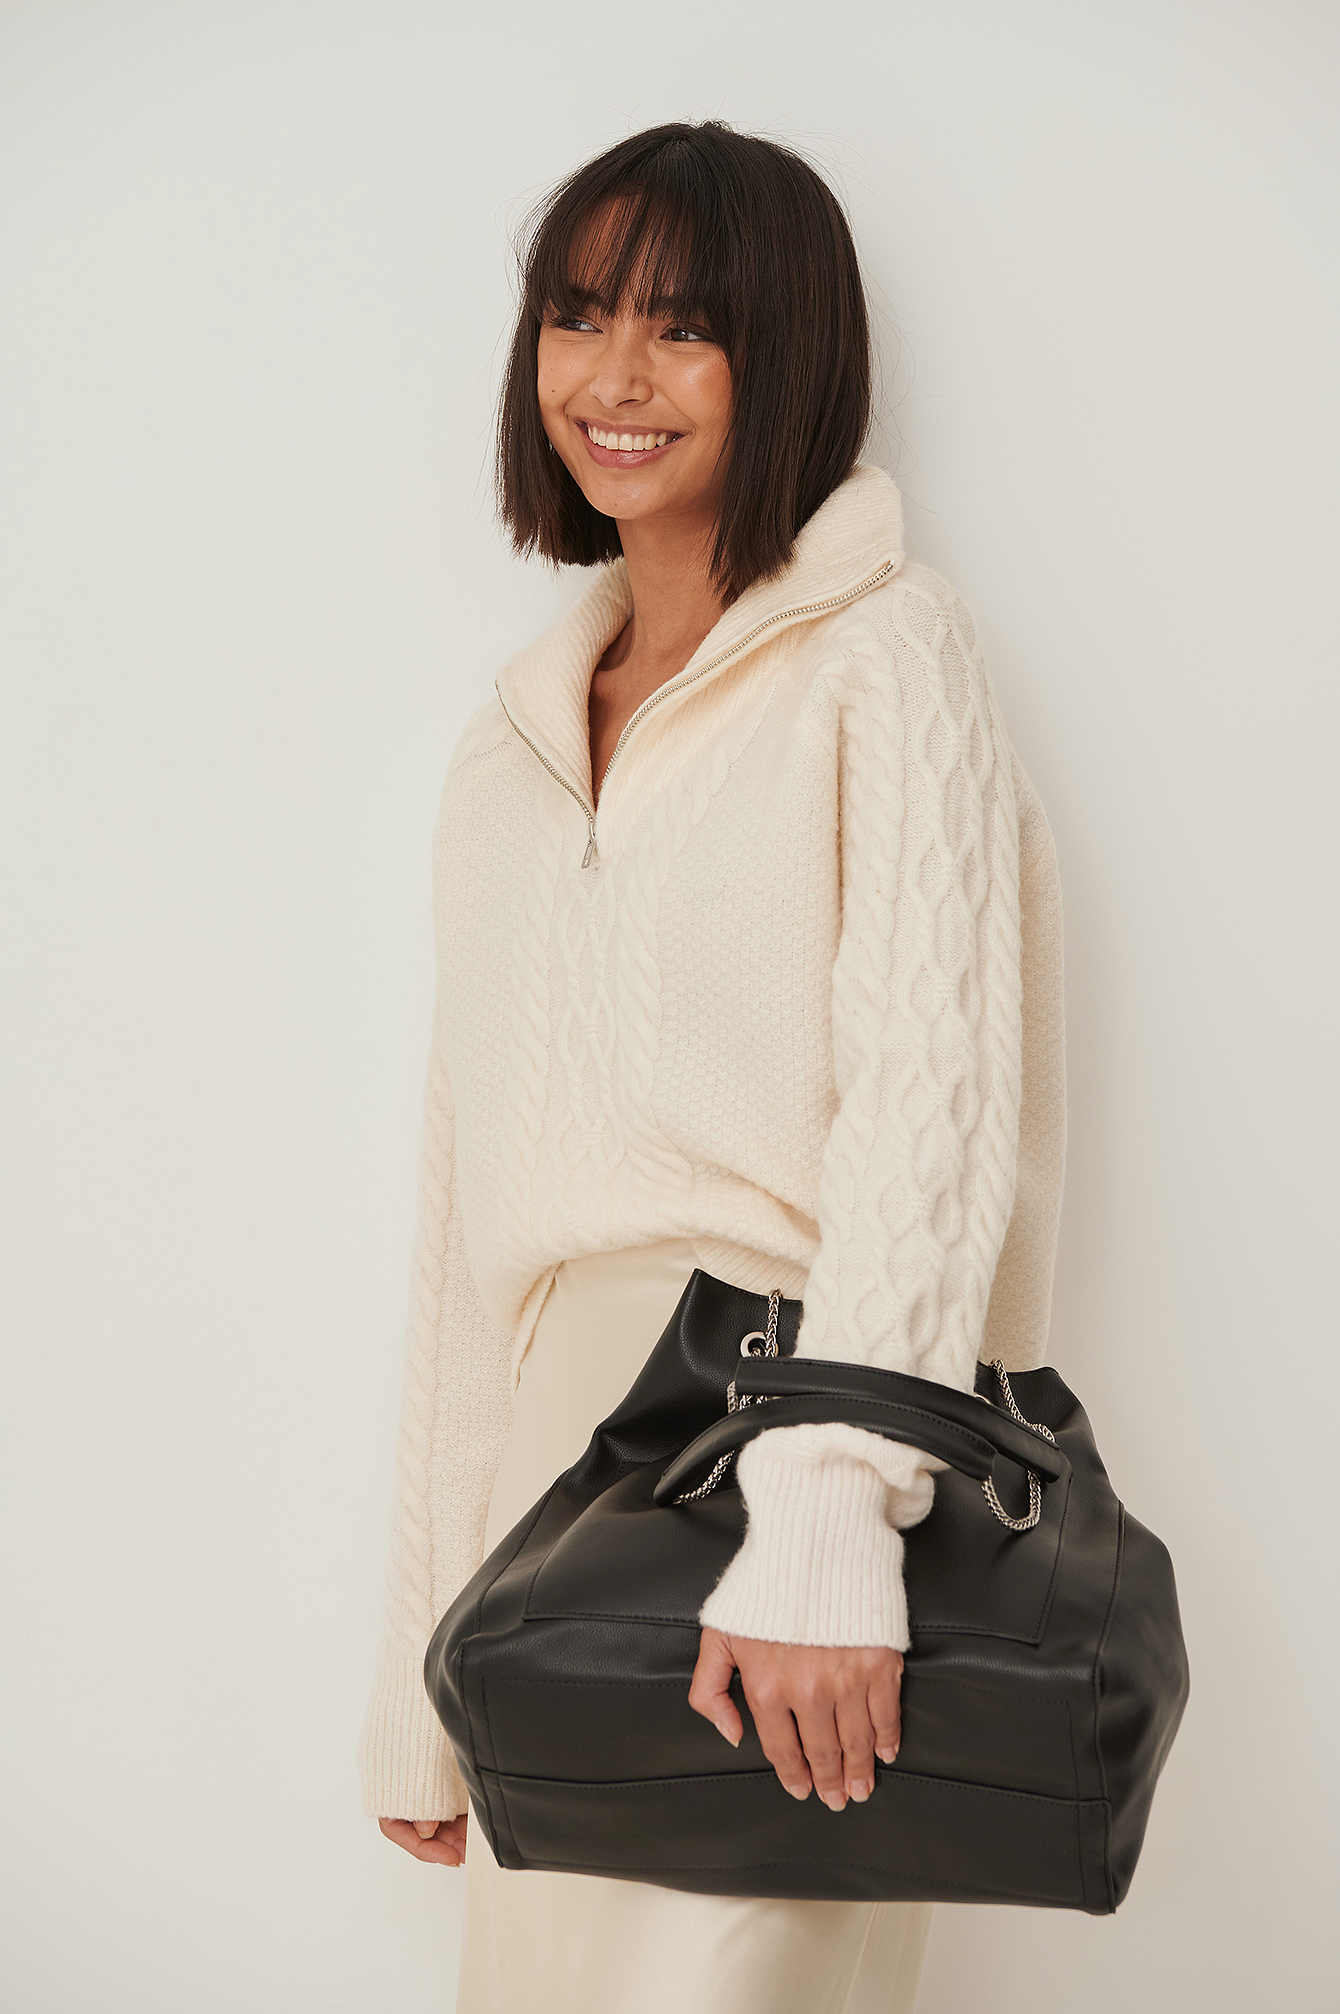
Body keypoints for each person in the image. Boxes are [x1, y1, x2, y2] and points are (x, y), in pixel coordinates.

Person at [359, 119, 1066, 2014]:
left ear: (787, 354)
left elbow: (933, 1108)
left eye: (685, 326)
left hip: (802, 1431)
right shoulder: (507, 750)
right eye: (580, 316)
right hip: (549, 1500)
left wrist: (835, 1517)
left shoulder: (887, 653)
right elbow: (469, 1235)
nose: (617, 375)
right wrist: (426, 1651)